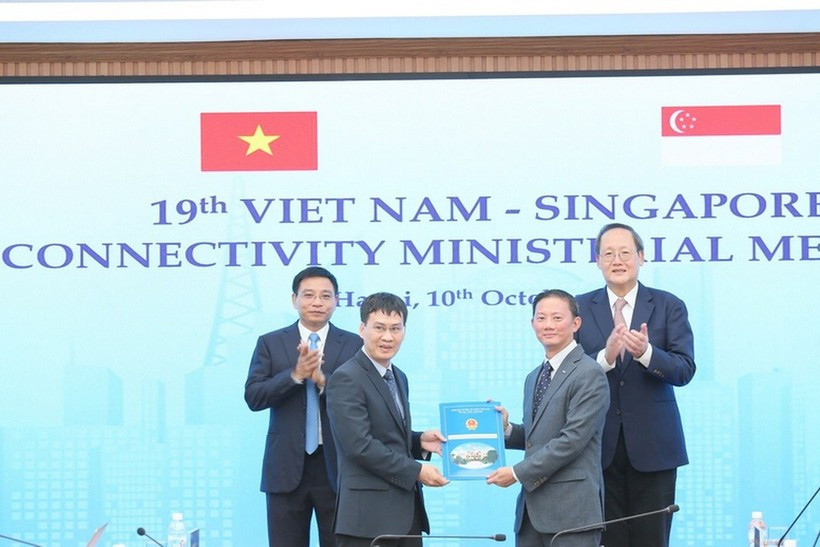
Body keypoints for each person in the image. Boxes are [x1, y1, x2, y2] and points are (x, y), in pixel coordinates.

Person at [575, 223, 696, 547]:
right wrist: (604, 358)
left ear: (641, 257)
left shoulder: (669, 305)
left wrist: (646, 353)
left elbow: (684, 370)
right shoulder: (579, 308)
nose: (617, 260)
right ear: (598, 261)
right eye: (608, 253)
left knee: (651, 540)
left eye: (625, 252)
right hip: (598, 446)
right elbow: (567, 373)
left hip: (654, 448)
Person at [244, 266, 363, 547]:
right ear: (294, 299)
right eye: (308, 295)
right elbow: (254, 397)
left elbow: (361, 400)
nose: (317, 302)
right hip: (285, 467)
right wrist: (295, 375)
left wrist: (323, 380)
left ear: (336, 301)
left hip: (337, 467)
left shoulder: (354, 345)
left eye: (325, 296)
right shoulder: (271, 343)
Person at [488, 289, 610, 547]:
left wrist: (517, 473)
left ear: (576, 323)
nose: (548, 325)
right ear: (532, 323)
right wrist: (507, 429)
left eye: (557, 318)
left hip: (571, 513)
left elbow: (572, 440)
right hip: (531, 514)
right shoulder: (534, 376)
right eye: (541, 318)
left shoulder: (589, 373)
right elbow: (538, 437)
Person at [326, 292, 449, 547]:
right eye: (379, 328)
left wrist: (419, 441)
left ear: (404, 331)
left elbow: (388, 435)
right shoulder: (347, 377)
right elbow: (359, 446)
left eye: (395, 328)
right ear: (362, 329)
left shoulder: (398, 376)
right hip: (367, 521)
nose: (388, 337)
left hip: (406, 515)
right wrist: (417, 470)